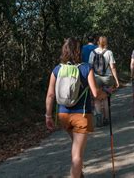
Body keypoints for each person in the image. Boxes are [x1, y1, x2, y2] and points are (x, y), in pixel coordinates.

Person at [45, 37, 107, 178]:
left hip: (63, 115)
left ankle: (79, 174)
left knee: (76, 146)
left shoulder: (57, 69)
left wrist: (48, 116)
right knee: (77, 154)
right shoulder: (86, 68)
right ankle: (76, 174)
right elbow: (96, 93)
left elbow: (50, 95)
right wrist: (105, 94)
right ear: (78, 51)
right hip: (82, 115)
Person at [88, 36, 120, 127]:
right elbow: (112, 67)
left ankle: (99, 119)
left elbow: (89, 67)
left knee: (97, 99)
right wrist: (116, 80)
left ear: (98, 42)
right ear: (106, 42)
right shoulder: (109, 52)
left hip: (95, 78)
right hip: (107, 78)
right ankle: (106, 119)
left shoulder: (92, 53)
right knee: (105, 98)